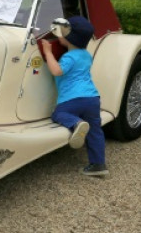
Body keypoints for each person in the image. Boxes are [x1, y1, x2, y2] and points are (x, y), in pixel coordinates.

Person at [41, 16, 108, 177]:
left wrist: (48, 52)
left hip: (72, 99)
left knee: (59, 114)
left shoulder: (69, 57)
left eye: (62, 33)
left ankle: (76, 123)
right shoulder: (86, 55)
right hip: (92, 98)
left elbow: (57, 71)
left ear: (69, 39)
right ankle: (98, 165)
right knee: (95, 131)